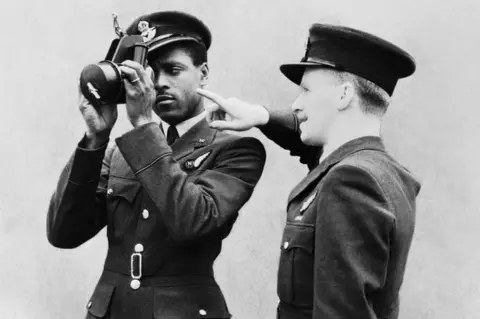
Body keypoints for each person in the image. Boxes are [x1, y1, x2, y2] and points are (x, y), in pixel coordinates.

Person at [47, 11, 266, 319]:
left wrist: (142, 123)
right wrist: (95, 139)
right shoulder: (122, 153)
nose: (160, 83)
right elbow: (63, 234)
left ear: (203, 72)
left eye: (173, 70)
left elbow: (192, 222)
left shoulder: (235, 148)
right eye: (150, 73)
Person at [198, 23, 421, 319]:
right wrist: (261, 116)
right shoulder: (381, 171)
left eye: (306, 90)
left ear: (343, 96)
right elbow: (312, 147)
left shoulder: (349, 181)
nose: (296, 104)